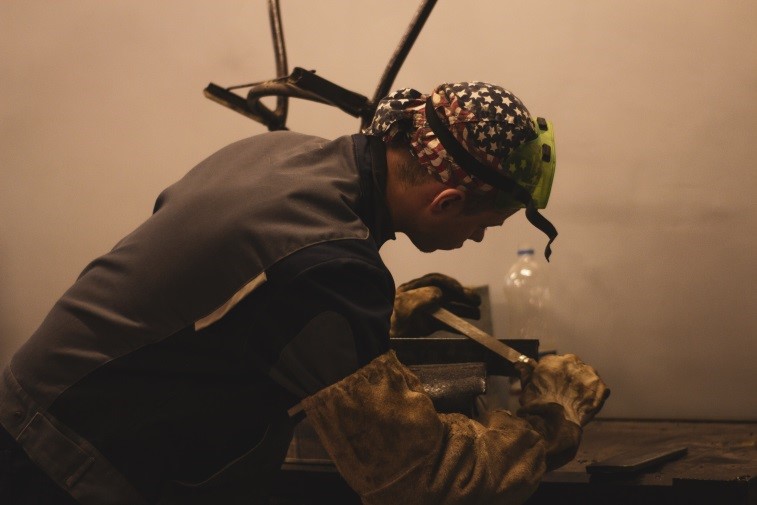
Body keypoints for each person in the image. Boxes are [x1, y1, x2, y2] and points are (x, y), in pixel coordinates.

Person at [0, 81, 608, 505]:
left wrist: (380, 320)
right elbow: (420, 478)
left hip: (26, 413)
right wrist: (551, 420)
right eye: (485, 225)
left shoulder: (280, 152)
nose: (477, 238)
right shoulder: (330, 268)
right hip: (65, 468)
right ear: (445, 201)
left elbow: (232, 299)